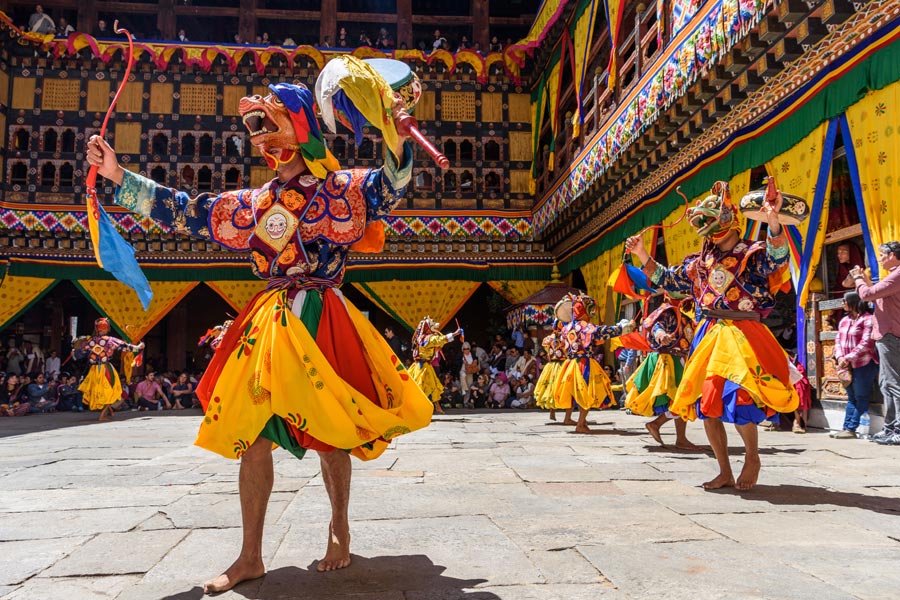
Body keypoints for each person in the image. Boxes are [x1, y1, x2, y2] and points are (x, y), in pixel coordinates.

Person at [87, 80, 432, 593]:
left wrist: (396, 139)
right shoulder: (250, 202)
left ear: (302, 128)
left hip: (321, 311)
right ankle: (250, 555)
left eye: (268, 122)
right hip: (269, 319)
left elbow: (390, 187)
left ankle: (339, 529)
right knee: (252, 431)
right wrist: (116, 174)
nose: (258, 136)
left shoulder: (340, 191)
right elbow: (185, 209)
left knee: (331, 431)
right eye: (255, 127)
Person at [625, 180, 799, 491]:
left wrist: (772, 221)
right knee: (708, 404)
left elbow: (778, 259)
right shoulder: (699, 263)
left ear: (731, 219)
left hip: (744, 332)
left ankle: (752, 457)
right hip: (710, 333)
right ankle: (723, 470)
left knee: (741, 398)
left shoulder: (753, 253)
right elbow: (666, 279)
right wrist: (640, 253)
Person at [623, 295, 699, 450]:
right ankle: (657, 424)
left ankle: (680, 438)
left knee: (680, 399)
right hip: (669, 360)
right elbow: (657, 326)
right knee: (679, 399)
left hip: (679, 359)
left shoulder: (685, 313)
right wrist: (660, 335)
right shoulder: (667, 311)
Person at [553, 293, 632, 433]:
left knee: (579, 393)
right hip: (584, 363)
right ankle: (581, 424)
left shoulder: (567, 328)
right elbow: (602, 332)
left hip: (571, 363)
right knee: (587, 392)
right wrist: (623, 327)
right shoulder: (584, 327)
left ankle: (580, 422)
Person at [852, 240, 900, 445]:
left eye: (882, 255)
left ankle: (897, 429)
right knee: (886, 383)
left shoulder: (897, 275)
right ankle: (890, 428)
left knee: (893, 384)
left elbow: (866, 295)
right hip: (886, 334)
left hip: (891, 334)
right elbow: (876, 297)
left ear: (892, 256)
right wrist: (864, 279)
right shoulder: (892, 276)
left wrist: (858, 279)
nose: (880, 259)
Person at [73, 318, 144, 422]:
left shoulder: (90, 341)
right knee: (111, 390)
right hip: (105, 369)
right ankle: (102, 416)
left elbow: (77, 355)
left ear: (97, 329)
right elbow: (125, 347)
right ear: (106, 329)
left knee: (99, 391)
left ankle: (109, 410)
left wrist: (74, 352)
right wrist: (138, 347)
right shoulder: (110, 340)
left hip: (93, 370)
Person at [831, 292, 877, 439]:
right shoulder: (844, 320)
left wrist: (849, 357)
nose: (843, 303)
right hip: (846, 364)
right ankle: (846, 427)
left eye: (845, 300)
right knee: (851, 396)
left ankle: (851, 428)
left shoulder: (868, 320)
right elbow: (838, 340)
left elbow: (867, 342)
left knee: (860, 396)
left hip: (863, 363)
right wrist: (839, 357)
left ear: (853, 302)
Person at [408, 317, 462, 415]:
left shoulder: (418, 337)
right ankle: (418, 409)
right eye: (432, 325)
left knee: (429, 386)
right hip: (423, 367)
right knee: (428, 387)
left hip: (418, 366)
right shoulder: (429, 338)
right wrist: (455, 333)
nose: (434, 327)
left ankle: (435, 407)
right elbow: (441, 339)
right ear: (428, 327)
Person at [535, 320, 570, 423]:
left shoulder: (548, 339)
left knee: (552, 388)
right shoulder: (565, 337)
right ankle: (567, 418)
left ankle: (552, 412)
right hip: (563, 365)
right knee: (567, 389)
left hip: (551, 366)